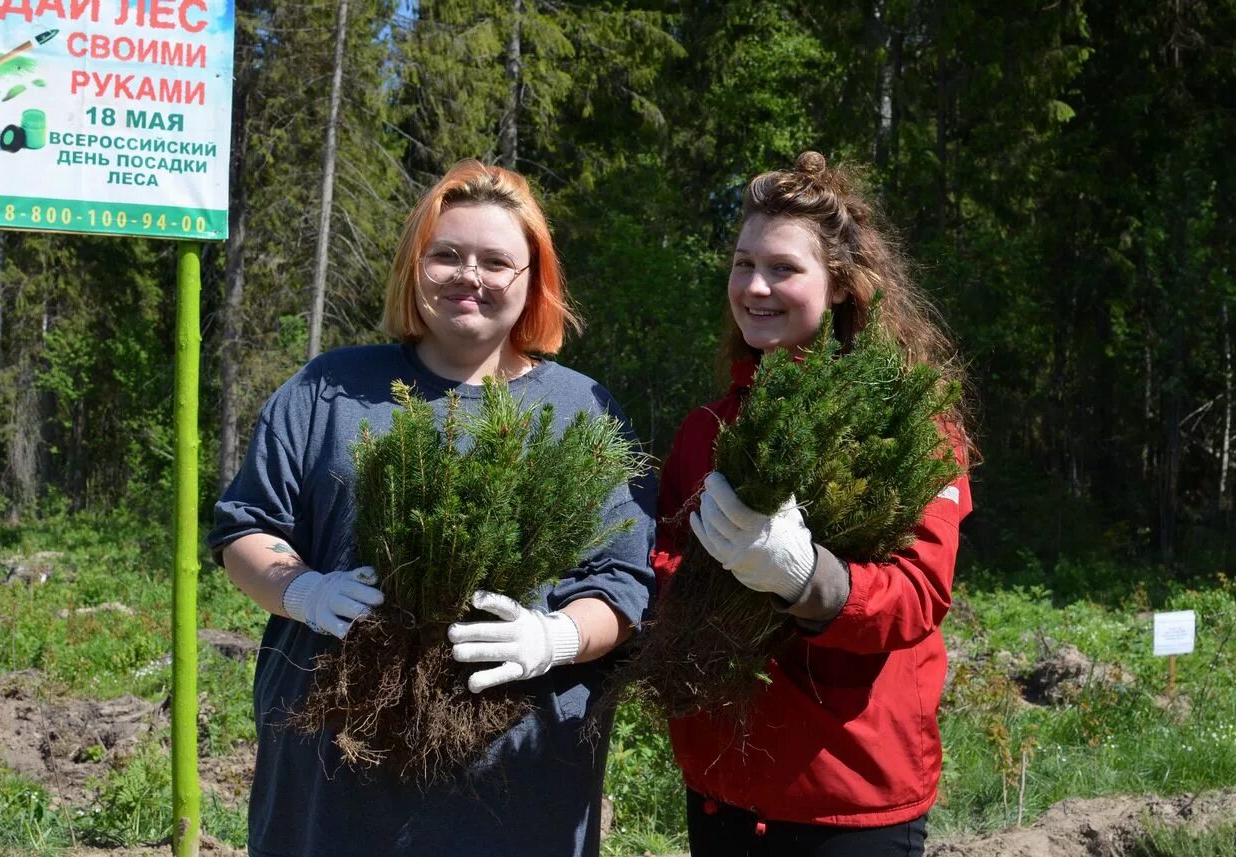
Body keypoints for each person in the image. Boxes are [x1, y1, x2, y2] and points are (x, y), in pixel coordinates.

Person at [209, 159, 655, 857]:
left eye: (495, 260)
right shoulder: (330, 389)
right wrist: (302, 588)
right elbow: (247, 529)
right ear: (414, 268)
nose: (467, 275)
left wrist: (556, 637)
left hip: (517, 784)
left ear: (532, 279)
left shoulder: (581, 411)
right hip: (335, 780)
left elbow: (622, 582)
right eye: (445, 254)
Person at [652, 150, 974, 857]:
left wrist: (809, 578)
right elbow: (664, 562)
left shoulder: (913, 429)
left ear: (842, 286)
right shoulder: (706, 431)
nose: (755, 286)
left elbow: (919, 594)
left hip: (848, 795)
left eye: (784, 268)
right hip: (721, 784)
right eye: (743, 264)